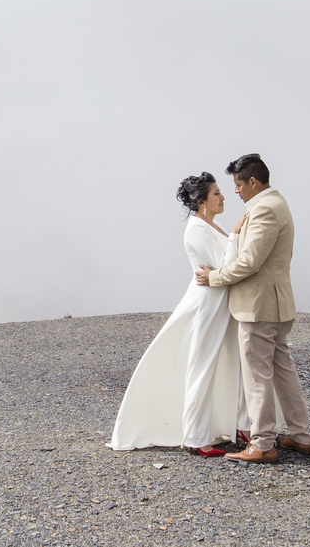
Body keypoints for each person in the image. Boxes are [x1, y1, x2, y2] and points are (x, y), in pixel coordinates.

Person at [108, 172, 252, 456]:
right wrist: (236, 234)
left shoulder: (215, 224)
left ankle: (241, 424)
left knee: (234, 363)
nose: (224, 198)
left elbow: (225, 267)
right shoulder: (197, 229)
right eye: (217, 194)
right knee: (203, 365)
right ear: (201, 202)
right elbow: (225, 264)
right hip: (207, 305)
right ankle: (197, 437)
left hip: (224, 302)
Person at [195, 153, 310, 463]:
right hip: (276, 304)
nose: (235, 191)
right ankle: (301, 437)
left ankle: (262, 444)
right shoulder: (277, 202)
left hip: (259, 308)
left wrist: (214, 277)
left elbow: (249, 262)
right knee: (283, 372)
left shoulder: (263, 210)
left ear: (252, 181)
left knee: (257, 376)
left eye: (238, 184)